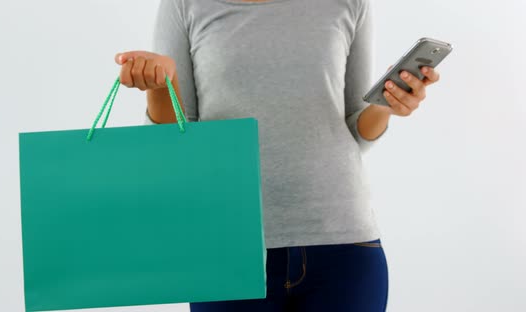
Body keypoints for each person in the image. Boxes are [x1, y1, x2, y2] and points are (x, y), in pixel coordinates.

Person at [114, 0, 441, 311]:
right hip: (228, 247)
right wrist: (161, 85)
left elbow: (354, 128)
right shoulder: (186, 5)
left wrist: (388, 105)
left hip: (343, 244)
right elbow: (177, 145)